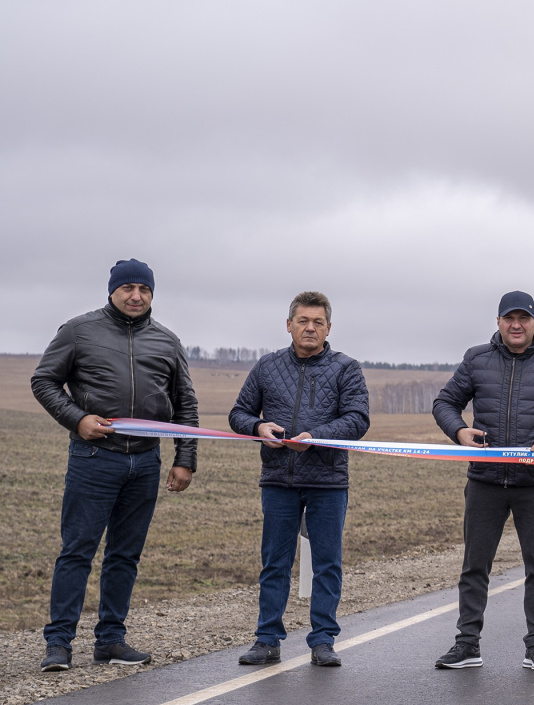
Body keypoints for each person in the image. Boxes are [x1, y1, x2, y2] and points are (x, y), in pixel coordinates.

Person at [31, 259, 198, 671]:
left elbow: (186, 404)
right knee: (77, 552)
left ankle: (110, 640)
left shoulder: (168, 341)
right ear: (112, 291)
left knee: (125, 555)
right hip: (94, 459)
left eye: (144, 289)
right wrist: (77, 419)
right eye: (128, 288)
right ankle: (59, 644)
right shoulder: (78, 331)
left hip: (145, 461)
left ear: (152, 294)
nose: (136, 295)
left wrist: (185, 459)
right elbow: (44, 381)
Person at [432, 291, 534, 670]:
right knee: (474, 567)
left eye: (523, 318)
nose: (515, 325)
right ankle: (467, 644)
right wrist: (460, 432)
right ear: (498, 321)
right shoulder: (476, 359)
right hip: (485, 481)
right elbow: (444, 402)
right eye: (508, 318)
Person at [228, 292, 370, 668]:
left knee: (327, 562)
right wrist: (258, 425)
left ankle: (323, 640)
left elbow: (358, 419)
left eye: (318, 322)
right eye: (303, 321)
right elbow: (238, 413)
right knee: (275, 561)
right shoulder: (267, 366)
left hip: (328, 480)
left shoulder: (346, 368)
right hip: (278, 479)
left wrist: (316, 435)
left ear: (328, 328)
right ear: (289, 324)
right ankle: (267, 639)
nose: (310, 328)